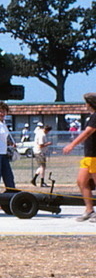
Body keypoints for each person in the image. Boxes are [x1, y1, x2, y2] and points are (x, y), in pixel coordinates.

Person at [61, 93, 96, 222]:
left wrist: (72, 145)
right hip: (88, 156)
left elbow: (87, 132)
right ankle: (89, 210)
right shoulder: (91, 117)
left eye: (86, 103)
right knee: (82, 182)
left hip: (94, 156)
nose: (85, 105)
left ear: (90, 103)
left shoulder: (95, 117)